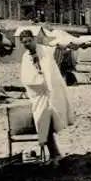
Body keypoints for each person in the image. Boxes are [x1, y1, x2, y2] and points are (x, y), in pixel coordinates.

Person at [19, 30, 75, 164]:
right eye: (24, 42)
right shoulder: (26, 57)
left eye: (29, 41)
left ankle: (55, 154)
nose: (27, 44)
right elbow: (25, 77)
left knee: (52, 119)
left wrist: (46, 81)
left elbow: (52, 70)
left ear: (34, 39)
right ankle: (54, 153)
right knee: (43, 121)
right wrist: (38, 80)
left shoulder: (45, 51)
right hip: (38, 94)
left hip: (52, 91)